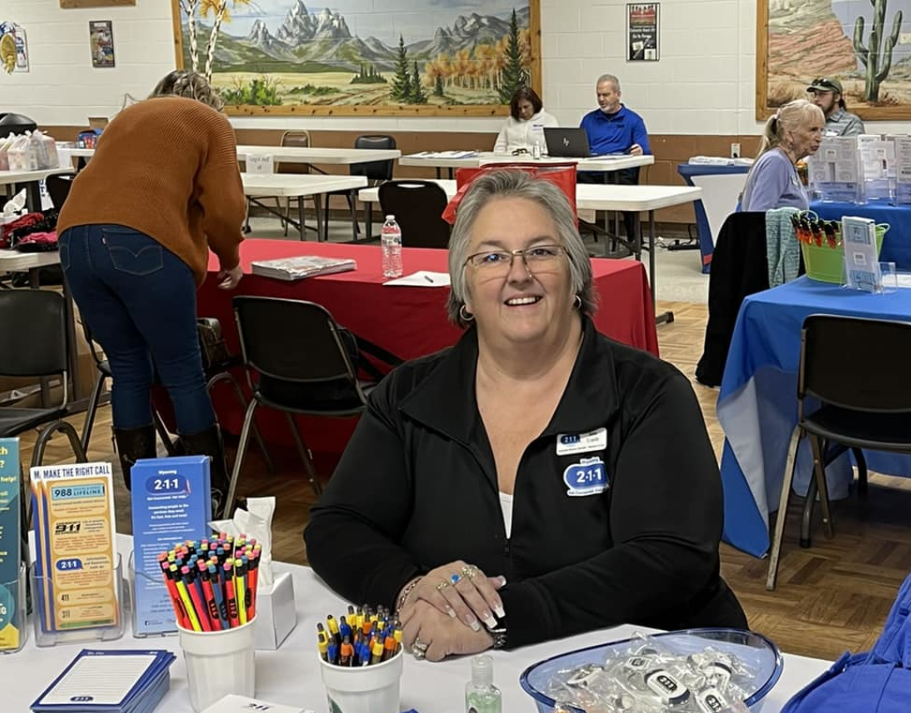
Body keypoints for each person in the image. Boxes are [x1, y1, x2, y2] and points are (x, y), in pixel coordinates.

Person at [305, 167, 744, 657]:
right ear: (464, 288)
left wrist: (498, 619)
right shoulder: (408, 395)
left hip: (649, 676)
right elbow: (336, 525)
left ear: (576, 272)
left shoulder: (650, 394)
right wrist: (411, 590)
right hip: (467, 681)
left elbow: (670, 559)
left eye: (541, 251)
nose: (518, 273)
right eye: (491, 256)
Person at [56, 71, 245, 495]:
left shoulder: (128, 117)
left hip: (73, 239)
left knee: (127, 367)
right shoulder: (210, 122)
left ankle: (142, 494)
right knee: (182, 370)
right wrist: (229, 257)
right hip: (141, 242)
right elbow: (225, 209)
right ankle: (212, 493)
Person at [579, 74, 650, 250]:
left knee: (626, 190)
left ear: (618, 94)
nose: (601, 99)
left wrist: (639, 150)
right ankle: (572, 239)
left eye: (606, 95)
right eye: (598, 95)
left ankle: (634, 240)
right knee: (567, 186)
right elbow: (579, 146)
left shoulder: (634, 120)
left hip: (620, 173)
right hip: (591, 172)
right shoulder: (588, 120)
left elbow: (645, 150)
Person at [738, 100, 823, 212]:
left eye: (821, 130)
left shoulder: (787, 162)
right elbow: (757, 217)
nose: (819, 138)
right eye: (812, 130)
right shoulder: (776, 162)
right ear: (789, 133)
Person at [493, 85, 556, 156]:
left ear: (534, 104)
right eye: (519, 108)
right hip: (511, 160)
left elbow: (552, 149)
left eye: (526, 107)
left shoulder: (549, 120)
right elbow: (500, 146)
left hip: (536, 160)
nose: (523, 111)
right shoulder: (509, 121)